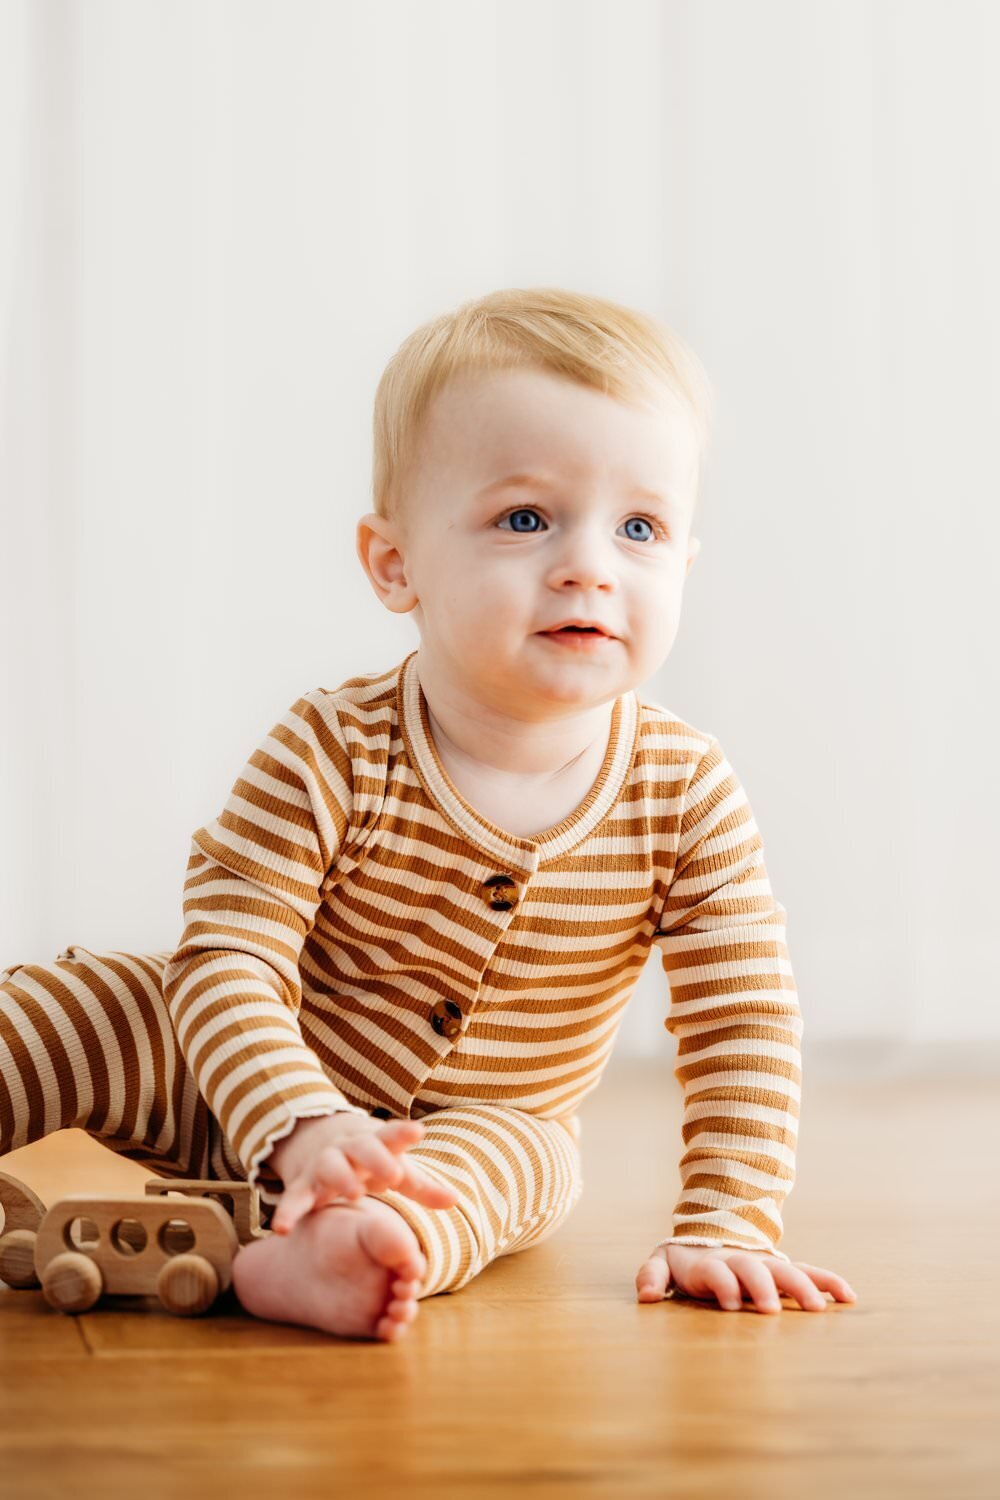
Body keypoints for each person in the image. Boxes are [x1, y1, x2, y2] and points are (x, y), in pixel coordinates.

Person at [0, 287, 856, 1341]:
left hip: (472, 1124)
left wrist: (729, 1217)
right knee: (84, 1009)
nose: (590, 562)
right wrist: (299, 1119)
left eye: (639, 526)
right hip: (236, 1075)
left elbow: (743, 1020)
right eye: (525, 519)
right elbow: (229, 959)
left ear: (682, 562)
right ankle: (292, 1193)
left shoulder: (684, 794)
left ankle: (321, 1255)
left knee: (510, 1169)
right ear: (394, 564)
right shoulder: (329, 748)